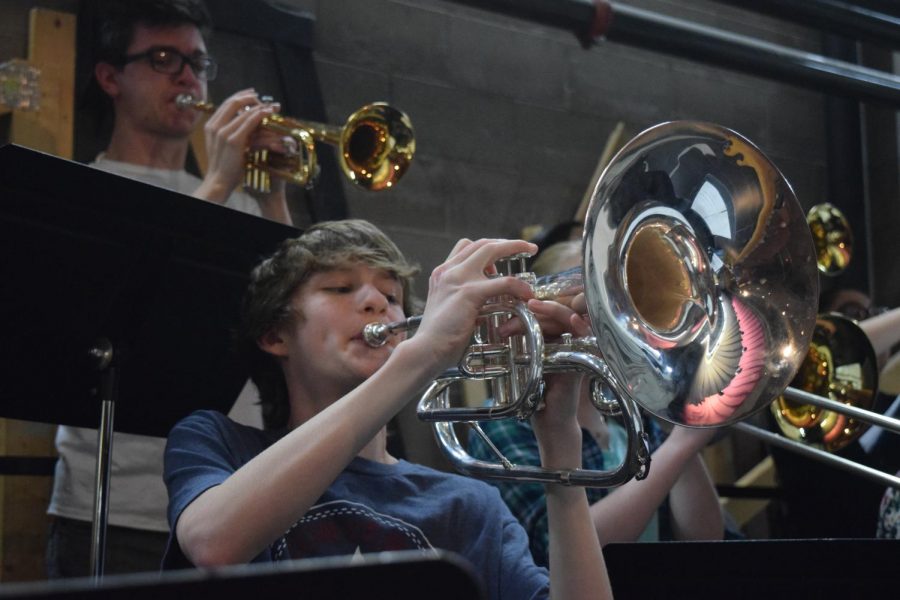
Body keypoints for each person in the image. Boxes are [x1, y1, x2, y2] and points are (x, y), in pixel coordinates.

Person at [162, 220, 613, 599]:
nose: (377, 302)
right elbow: (213, 545)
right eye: (340, 287)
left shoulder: (467, 505)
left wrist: (559, 446)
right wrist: (423, 354)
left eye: (392, 296)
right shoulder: (217, 442)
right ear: (275, 335)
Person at [47, 0, 293, 577]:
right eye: (163, 59)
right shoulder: (84, 188)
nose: (188, 77)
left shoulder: (232, 193)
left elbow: (293, 318)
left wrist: (273, 193)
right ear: (111, 77)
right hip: (113, 506)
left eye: (199, 63)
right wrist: (219, 181)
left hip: (233, 502)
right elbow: (141, 297)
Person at [468, 240, 724, 567]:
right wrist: (681, 445)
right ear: (537, 306)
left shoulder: (624, 412)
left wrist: (676, 418)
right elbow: (555, 547)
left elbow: (704, 539)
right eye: (589, 285)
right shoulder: (501, 419)